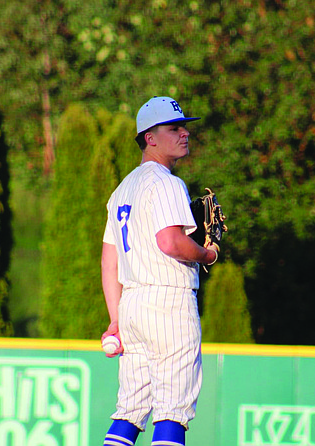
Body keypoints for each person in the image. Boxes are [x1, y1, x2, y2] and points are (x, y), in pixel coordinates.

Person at [100, 96, 219, 446]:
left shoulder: (122, 189)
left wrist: (116, 320)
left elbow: (109, 262)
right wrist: (207, 254)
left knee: (130, 409)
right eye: (174, 128)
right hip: (168, 300)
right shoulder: (167, 183)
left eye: (184, 127)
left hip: (132, 305)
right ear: (150, 137)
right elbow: (169, 242)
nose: (184, 133)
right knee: (172, 410)